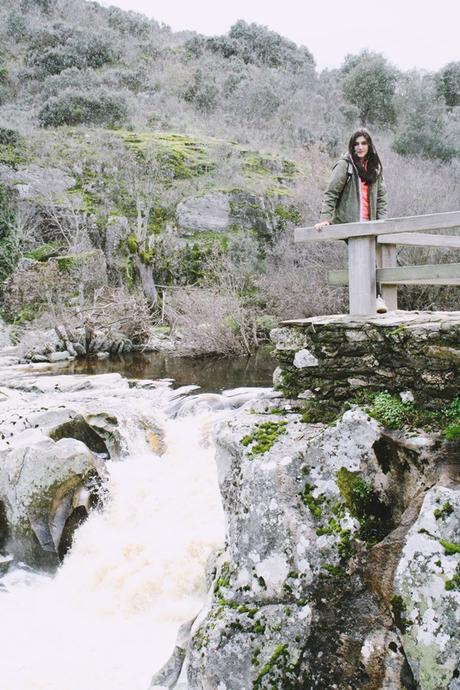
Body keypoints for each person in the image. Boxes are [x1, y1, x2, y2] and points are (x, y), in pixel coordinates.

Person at [314, 128, 388, 312]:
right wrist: (325, 218)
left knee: (371, 259)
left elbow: (381, 198)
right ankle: (375, 300)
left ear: (369, 145)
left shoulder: (374, 168)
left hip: (369, 223)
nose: (360, 147)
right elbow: (331, 192)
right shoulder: (345, 165)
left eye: (364, 143)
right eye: (357, 144)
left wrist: (382, 222)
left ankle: (372, 302)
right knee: (365, 260)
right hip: (350, 222)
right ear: (352, 146)